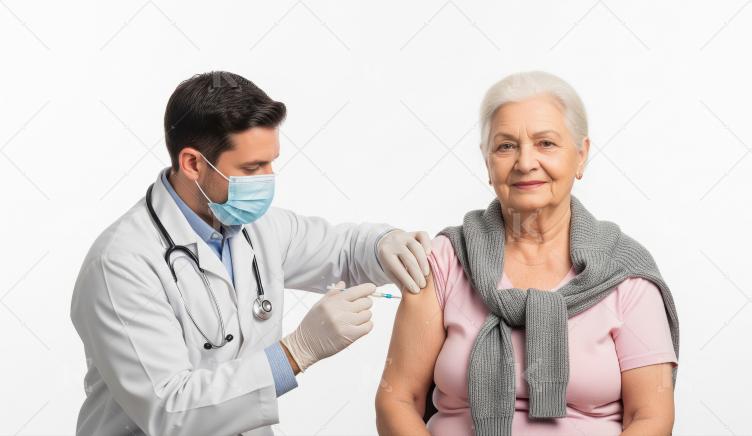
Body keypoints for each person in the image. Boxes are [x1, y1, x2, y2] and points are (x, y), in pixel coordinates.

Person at [71, 71, 432, 436]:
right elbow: (170, 411)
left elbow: (343, 250)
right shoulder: (121, 263)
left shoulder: (256, 229)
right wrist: (296, 352)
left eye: (271, 162)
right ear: (193, 164)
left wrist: (383, 243)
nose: (267, 179)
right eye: (252, 168)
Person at [376, 71, 679, 435]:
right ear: (487, 161)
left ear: (580, 155)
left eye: (546, 143)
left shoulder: (624, 273)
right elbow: (397, 399)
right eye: (505, 146)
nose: (525, 162)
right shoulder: (444, 261)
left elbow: (650, 417)